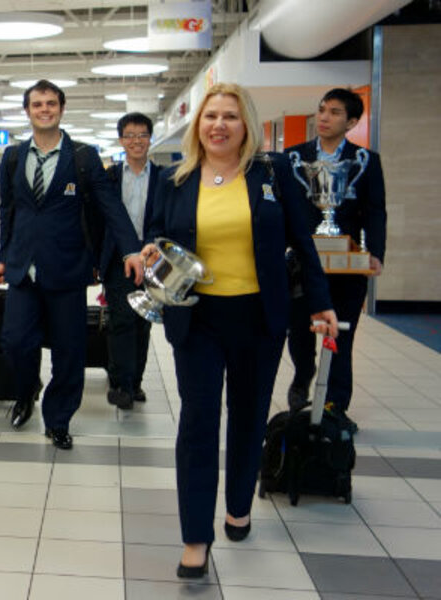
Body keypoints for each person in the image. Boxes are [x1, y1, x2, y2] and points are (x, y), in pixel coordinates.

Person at [140, 82, 338, 578]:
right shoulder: (174, 179)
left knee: (248, 417)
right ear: (198, 126)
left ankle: (238, 505)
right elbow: (154, 233)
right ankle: (195, 537)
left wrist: (321, 303)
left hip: (259, 318)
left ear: (245, 124)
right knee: (199, 423)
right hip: (198, 319)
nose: (219, 125)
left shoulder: (271, 175)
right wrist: (149, 252)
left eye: (229, 116)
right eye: (210, 117)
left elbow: (304, 242)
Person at [0, 79, 146, 450]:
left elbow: (110, 205)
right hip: (23, 269)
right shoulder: (13, 157)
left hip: (67, 270)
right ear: (27, 111)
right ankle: (27, 391)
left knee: (69, 350)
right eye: (37, 104)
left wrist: (130, 250)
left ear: (61, 109)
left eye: (50, 103)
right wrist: (3, 256)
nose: (44, 109)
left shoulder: (82, 156)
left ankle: (58, 419)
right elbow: (8, 211)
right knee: (15, 342)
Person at [285, 88, 386, 432]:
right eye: (322, 110)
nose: (324, 118)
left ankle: (335, 406)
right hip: (301, 263)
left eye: (335, 112)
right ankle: (303, 377)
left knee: (342, 336)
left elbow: (376, 211)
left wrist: (375, 253)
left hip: (346, 266)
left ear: (352, 121)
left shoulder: (365, 161)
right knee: (298, 331)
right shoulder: (293, 158)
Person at [102, 112, 161, 410]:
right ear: (121, 140)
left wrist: (151, 247)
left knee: (143, 323)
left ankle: (135, 382)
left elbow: (164, 219)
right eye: (130, 135)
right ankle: (120, 384)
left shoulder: (164, 177)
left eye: (142, 135)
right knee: (121, 321)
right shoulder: (110, 177)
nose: (136, 141)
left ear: (150, 139)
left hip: (153, 260)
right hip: (117, 260)